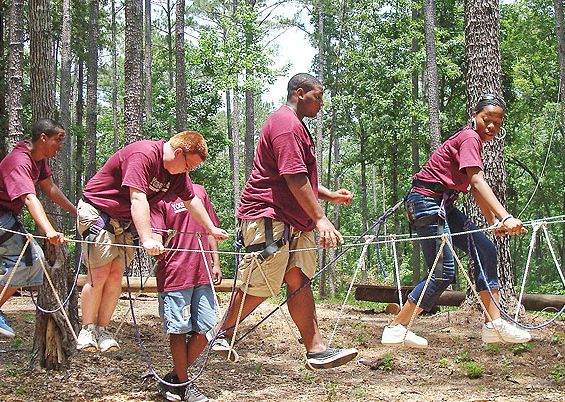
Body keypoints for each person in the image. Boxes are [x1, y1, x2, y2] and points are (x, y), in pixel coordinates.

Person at [212, 73, 358, 370]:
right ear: (300, 93)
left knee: (298, 280)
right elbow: (292, 177)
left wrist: (327, 195)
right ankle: (218, 335)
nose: (321, 104)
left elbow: (296, 175)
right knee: (259, 283)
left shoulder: (296, 127)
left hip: (292, 220)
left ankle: (316, 350)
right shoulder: (286, 125)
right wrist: (321, 218)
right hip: (269, 217)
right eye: (318, 97)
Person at [381, 94, 532, 348]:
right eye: (487, 119)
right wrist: (505, 217)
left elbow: (474, 188)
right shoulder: (470, 138)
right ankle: (397, 327)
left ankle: (493, 324)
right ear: (474, 116)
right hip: (427, 203)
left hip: (444, 205)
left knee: (485, 249)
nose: (492, 126)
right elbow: (476, 181)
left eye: (498, 120)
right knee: (443, 273)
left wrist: (492, 221)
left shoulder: (472, 140)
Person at [76, 131, 228, 353]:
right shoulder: (144, 155)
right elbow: (138, 199)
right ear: (178, 152)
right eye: (189, 166)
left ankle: (102, 329)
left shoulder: (175, 172)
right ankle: (87, 329)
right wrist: (147, 238)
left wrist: (211, 228)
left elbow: (191, 200)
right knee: (99, 273)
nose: (188, 172)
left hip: (124, 220)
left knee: (115, 275)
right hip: (98, 212)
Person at [0, 118, 77, 362]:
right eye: (58, 140)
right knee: (32, 258)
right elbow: (29, 198)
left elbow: (49, 188)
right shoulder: (20, 161)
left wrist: (76, 213)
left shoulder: (38, 161)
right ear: (43, 138)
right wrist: (48, 230)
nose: (61, 145)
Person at [151, 184, 221, 402]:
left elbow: (210, 229)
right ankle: (184, 385)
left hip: (202, 272)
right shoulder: (160, 197)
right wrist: (155, 247)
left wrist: (215, 262)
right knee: (178, 329)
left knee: (208, 327)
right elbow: (154, 235)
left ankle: (173, 379)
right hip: (175, 274)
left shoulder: (200, 191)